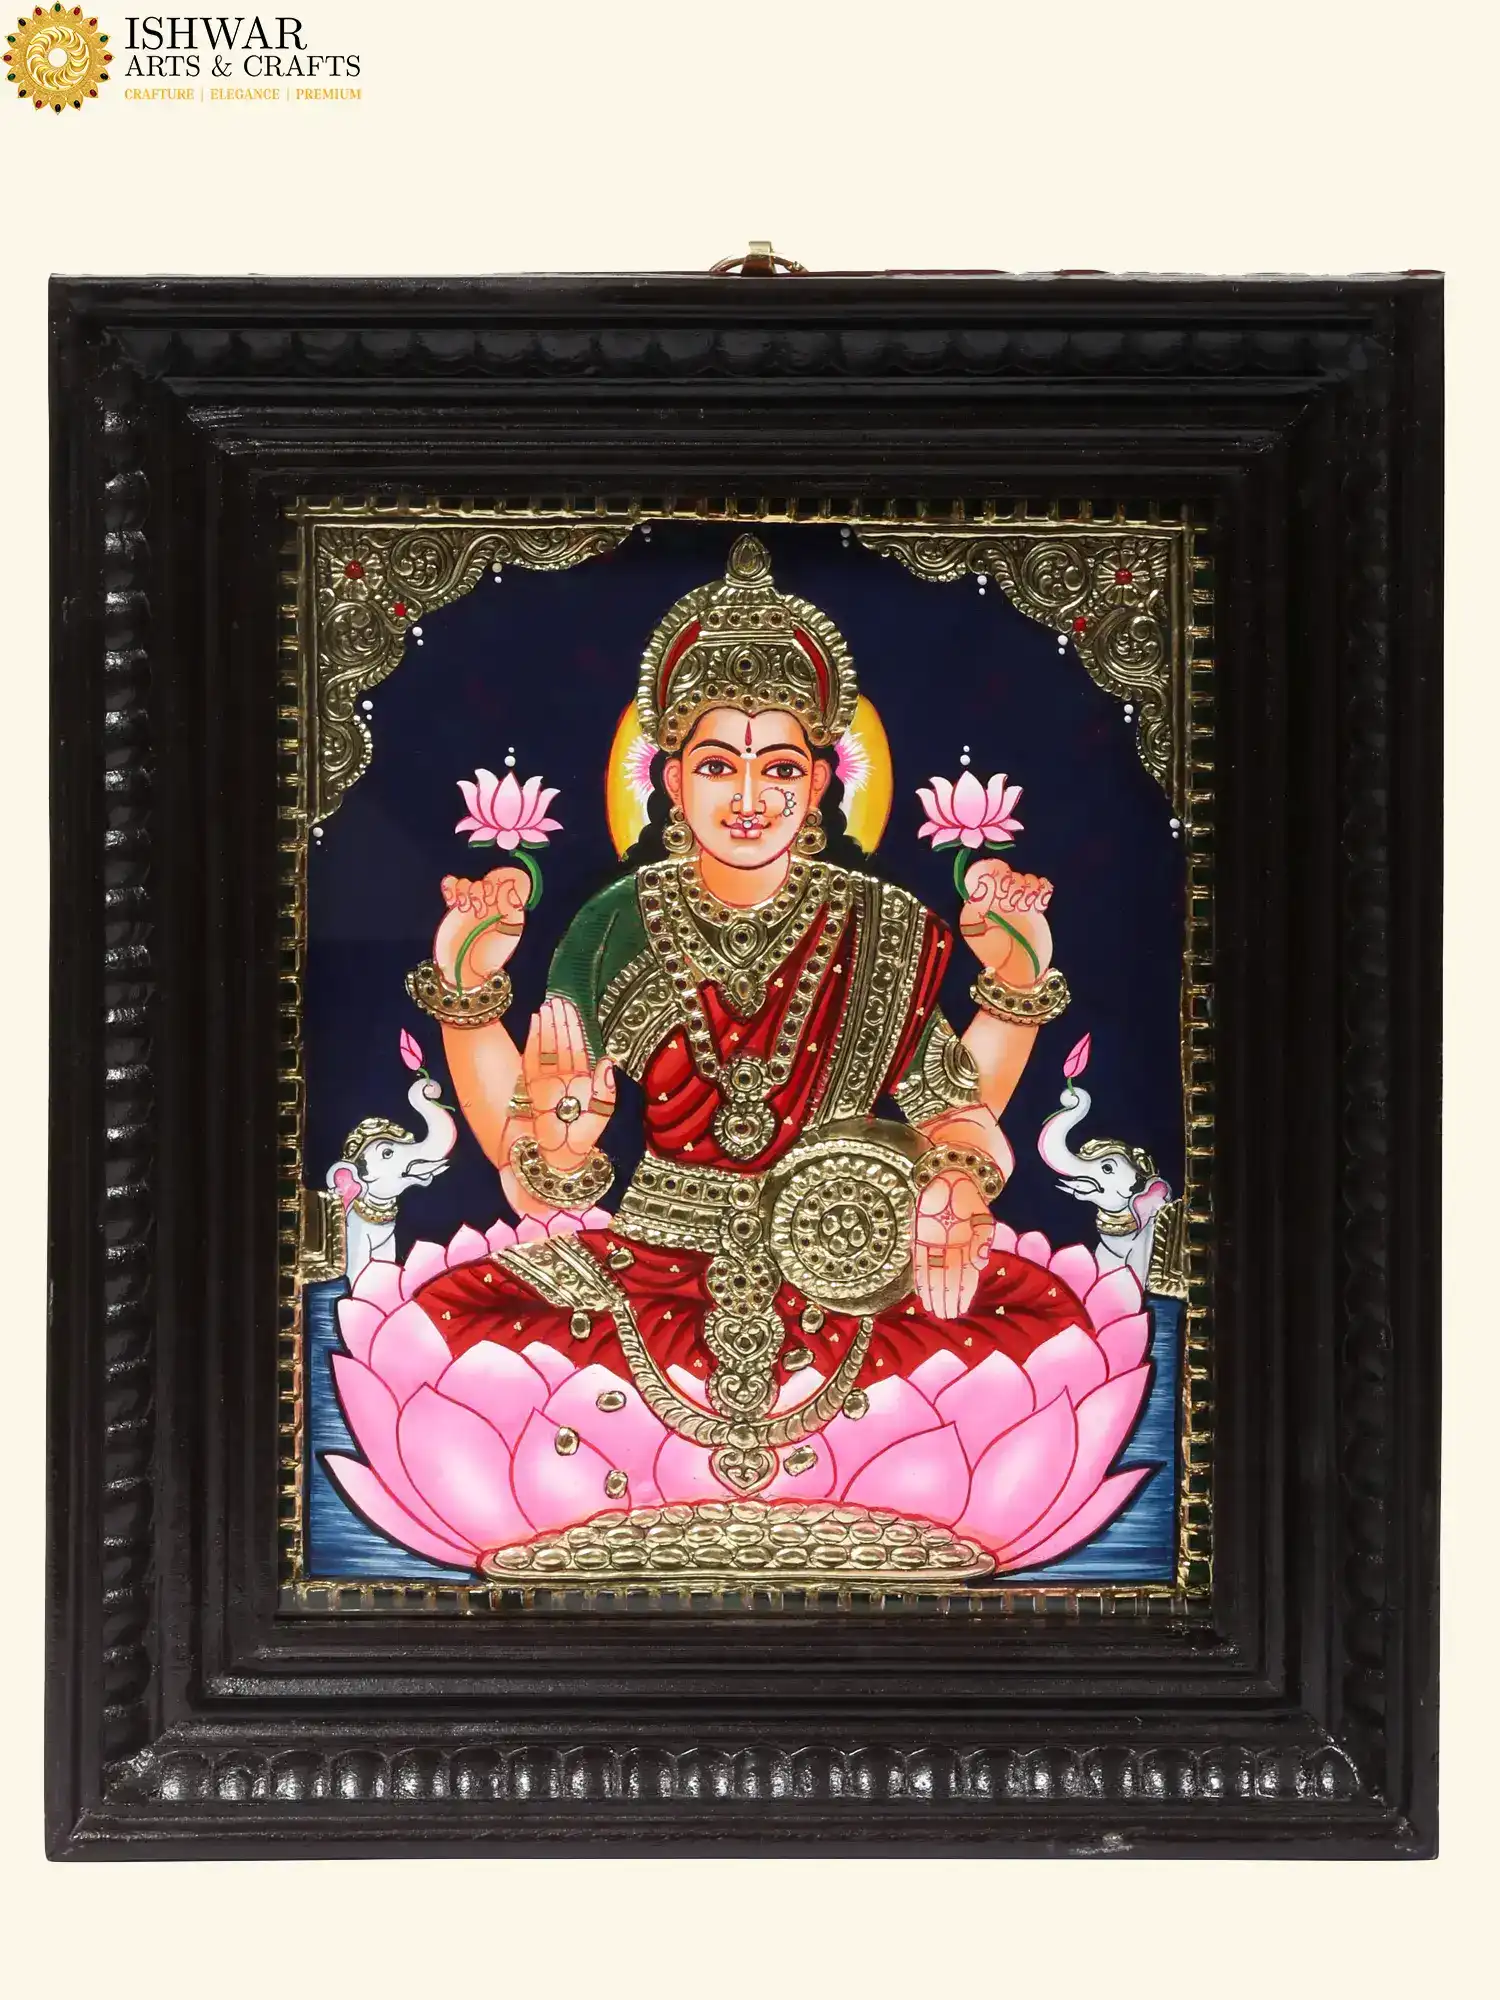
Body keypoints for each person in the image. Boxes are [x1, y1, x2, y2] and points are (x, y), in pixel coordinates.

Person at [405, 535, 1082, 1499]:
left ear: (821, 785)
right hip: (650, 1263)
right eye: (720, 766)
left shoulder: (883, 927)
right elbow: (534, 1163)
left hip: (847, 1256)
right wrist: (479, 1016)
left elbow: (951, 1112)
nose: (752, 800)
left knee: (1046, 1317)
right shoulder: (613, 926)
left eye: (781, 769)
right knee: (451, 1319)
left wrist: (961, 1168)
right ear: (671, 781)